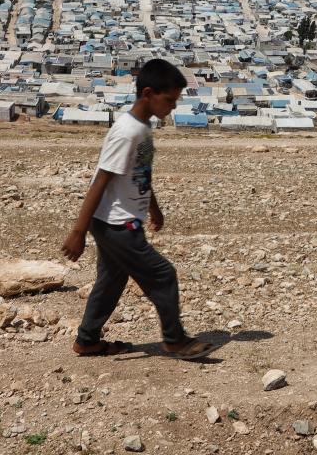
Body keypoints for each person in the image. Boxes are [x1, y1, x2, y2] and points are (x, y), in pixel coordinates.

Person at [61, 58, 214, 360]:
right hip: (116, 225)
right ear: (147, 93)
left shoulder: (143, 128)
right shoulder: (127, 132)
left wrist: (153, 208)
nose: (172, 107)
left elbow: (140, 172)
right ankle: (174, 340)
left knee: (111, 282)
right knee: (163, 275)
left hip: (120, 219)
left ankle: (87, 340)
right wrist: (78, 232)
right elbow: (100, 181)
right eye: (169, 100)